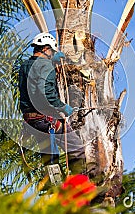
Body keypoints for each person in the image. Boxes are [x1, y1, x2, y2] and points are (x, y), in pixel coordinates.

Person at [18, 32, 86, 175]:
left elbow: (33, 85)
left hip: (32, 120)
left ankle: (53, 185)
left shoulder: (25, 66)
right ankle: (79, 185)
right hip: (46, 118)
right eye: (52, 51)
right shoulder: (45, 65)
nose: (52, 54)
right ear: (45, 48)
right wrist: (62, 107)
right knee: (76, 148)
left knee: (50, 157)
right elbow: (45, 92)